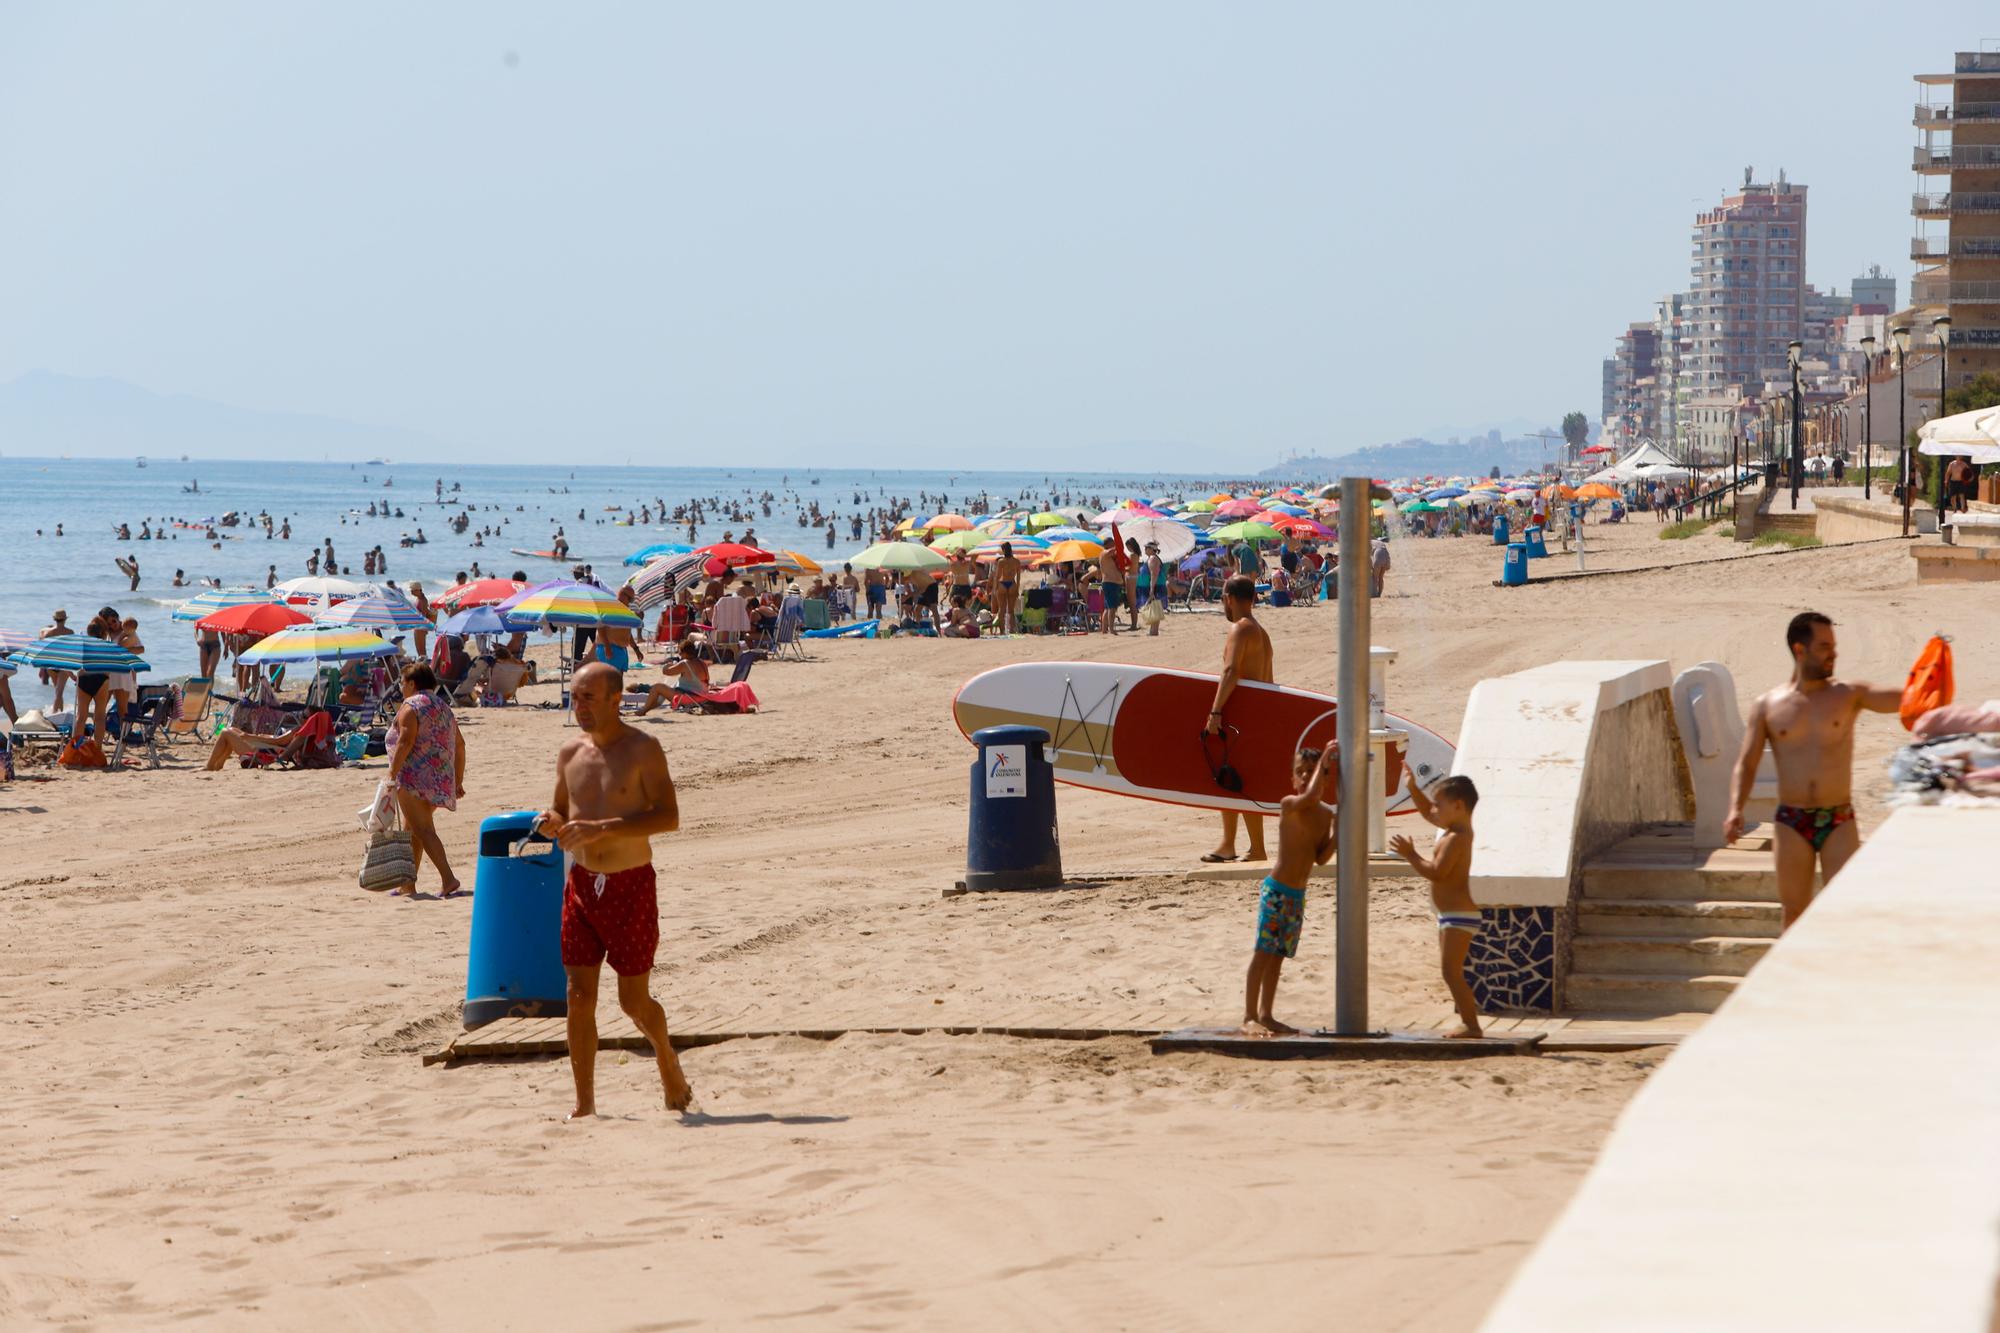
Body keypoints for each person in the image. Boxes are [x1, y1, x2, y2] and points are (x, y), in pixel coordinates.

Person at [537, 661, 693, 1118]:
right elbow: (560, 813)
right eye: (574, 695)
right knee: (578, 996)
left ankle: (667, 1059)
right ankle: (584, 1105)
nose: (578, 705)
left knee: (632, 1001)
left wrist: (603, 828)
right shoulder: (569, 753)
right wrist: (552, 825)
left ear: (613, 698)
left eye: (588, 696)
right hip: (582, 885)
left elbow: (669, 817)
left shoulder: (643, 749)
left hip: (631, 886)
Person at [1723, 612, 1900, 931]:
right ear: (1800, 650)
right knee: (1793, 913)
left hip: (1838, 819)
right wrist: (1735, 808)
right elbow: (1746, 762)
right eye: (1824, 646)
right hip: (1792, 821)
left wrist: (1934, 672)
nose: (1833, 653)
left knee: (1843, 909)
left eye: (1833, 645)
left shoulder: (1848, 694)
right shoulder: (1768, 705)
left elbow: (1904, 700)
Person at [1240, 745, 1336, 1037]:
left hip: (1296, 896)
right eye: (1300, 772)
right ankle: (1249, 1015)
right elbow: (1308, 796)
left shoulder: (1324, 816)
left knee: (1278, 955)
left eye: (1312, 771)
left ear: (1326, 779)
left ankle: (1267, 1014)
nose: (1306, 777)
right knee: (1262, 953)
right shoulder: (1290, 804)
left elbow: (1320, 857)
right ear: (1292, 780)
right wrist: (1325, 759)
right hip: (1278, 891)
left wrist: (1340, 832)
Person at [1390, 775, 1485, 1038]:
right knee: (1450, 972)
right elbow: (1427, 814)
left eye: (1438, 805)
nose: (1433, 811)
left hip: (1460, 915)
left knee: (1451, 972)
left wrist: (1410, 854)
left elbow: (1438, 873)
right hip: (1449, 914)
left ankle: (1472, 1026)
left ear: (1457, 806)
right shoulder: (1452, 828)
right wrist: (1411, 787)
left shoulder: (1458, 837)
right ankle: (1470, 1024)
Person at [1202, 575, 1273, 863]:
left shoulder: (1240, 629)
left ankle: (1250, 847)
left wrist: (1215, 711)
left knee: (1233, 777)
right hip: (1258, 714)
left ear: (1229, 598)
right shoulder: (1260, 631)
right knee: (1232, 777)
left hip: (1241, 715)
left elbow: (1230, 671)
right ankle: (1232, 844)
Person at [384, 662, 467, 898]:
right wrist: (457, 779)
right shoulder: (443, 707)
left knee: (423, 829)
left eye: (402, 683)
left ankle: (448, 879)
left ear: (411, 683)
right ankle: (407, 884)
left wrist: (391, 774)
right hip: (439, 778)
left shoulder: (410, 706)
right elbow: (460, 745)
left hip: (413, 778)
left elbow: (406, 741)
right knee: (413, 830)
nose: (401, 688)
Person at [988, 543, 1021, 635]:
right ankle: (1012, 630)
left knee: (1001, 610)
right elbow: (1018, 577)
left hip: (1002, 584)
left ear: (1003, 550)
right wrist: (1017, 588)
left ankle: (1002, 631)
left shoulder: (1001, 561)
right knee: (1011, 611)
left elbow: (997, 576)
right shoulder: (1016, 561)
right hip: (1012, 584)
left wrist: (995, 588)